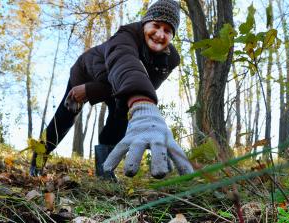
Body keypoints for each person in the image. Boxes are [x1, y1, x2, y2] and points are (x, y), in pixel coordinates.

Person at [30, 0, 193, 180]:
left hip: (115, 85)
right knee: (64, 119)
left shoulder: (170, 59)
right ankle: (37, 161)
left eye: (168, 30)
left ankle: (105, 170)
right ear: (144, 23)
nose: (160, 34)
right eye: (156, 25)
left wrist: (134, 104)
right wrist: (89, 90)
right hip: (89, 74)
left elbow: (147, 84)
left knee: (120, 118)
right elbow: (123, 63)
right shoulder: (126, 36)